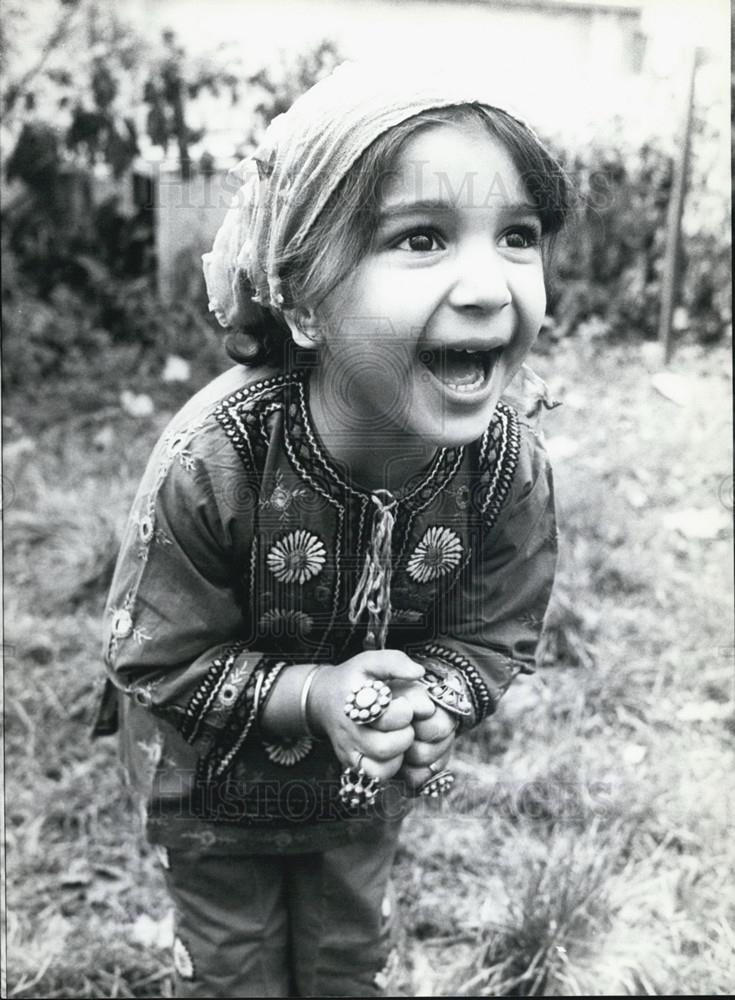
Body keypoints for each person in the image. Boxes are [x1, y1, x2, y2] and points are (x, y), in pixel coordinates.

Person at [96, 60, 572, 998]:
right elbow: (154, 657)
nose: (488, 285)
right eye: (422, 238)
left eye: (516, 236)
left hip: (360, 795)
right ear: (305, 300)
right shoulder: (216, 457)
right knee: (234, 970)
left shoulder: (506, 469)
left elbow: (495, 634)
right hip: (215, 792)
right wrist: (317, 695)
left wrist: (436, 697)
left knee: (347, 959)